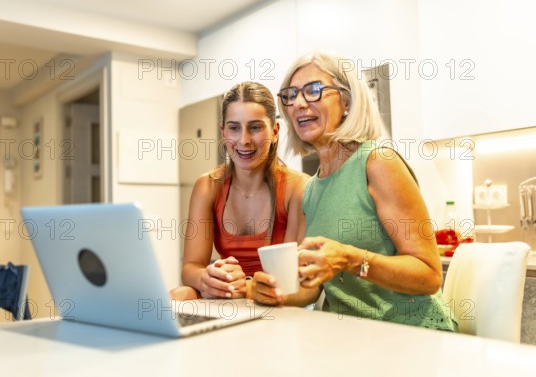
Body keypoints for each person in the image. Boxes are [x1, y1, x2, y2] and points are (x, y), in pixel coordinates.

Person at [252, 52, 457, 331]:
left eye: (313, 91)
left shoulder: (378, 162)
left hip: (410, 335)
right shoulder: (311, 188)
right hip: (348, 337)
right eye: (290, 95)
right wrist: (269, 290)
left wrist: (351, 259)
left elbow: (430, 274)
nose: (298, 103)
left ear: (346, 102)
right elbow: (311, 290)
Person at [170, 81, 308, 301]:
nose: (244, 140)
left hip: (275, 298)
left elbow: (292, 280)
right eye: (234, 128)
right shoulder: (207, 186)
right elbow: (190, 268)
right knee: (178, 294)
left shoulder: (297, 188)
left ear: (274, 131)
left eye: (255, 127)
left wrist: (244, 285)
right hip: (229, 294)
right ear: (223, 131)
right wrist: (207, 277)